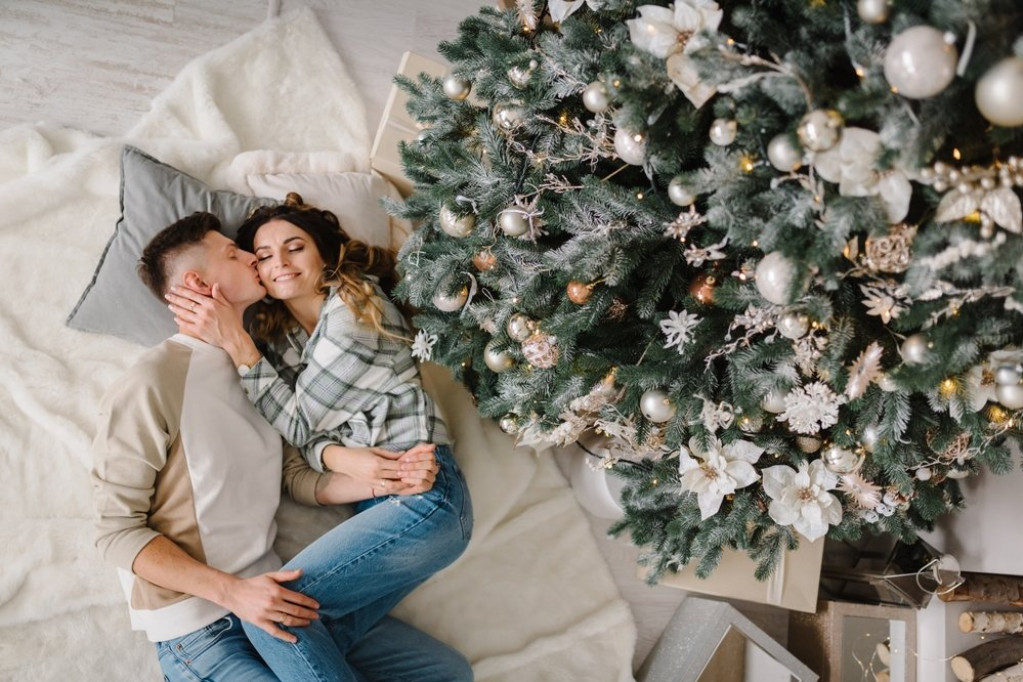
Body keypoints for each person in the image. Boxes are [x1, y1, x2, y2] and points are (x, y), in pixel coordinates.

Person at [92, 212, 472, 682]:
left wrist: (383, 476)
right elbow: (115, 533)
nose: (253, 258)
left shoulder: (257, 369)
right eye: (234, 253)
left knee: (445, 673)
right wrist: (234, 593)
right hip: (204, 630)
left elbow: (296, 476)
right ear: (198, 283)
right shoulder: (152, 381)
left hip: (277, 594)